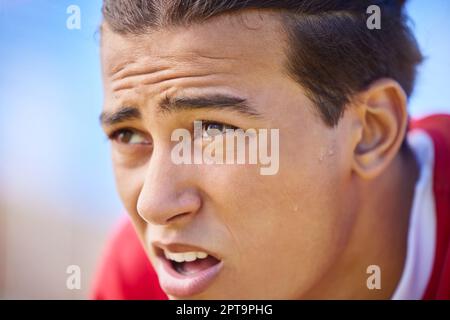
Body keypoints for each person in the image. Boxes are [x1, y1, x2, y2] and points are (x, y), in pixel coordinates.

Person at [92, 0, 450, 299]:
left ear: (372, 132)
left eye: (213, 131)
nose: (153, 206)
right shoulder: (140, 276)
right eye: (128, 135)